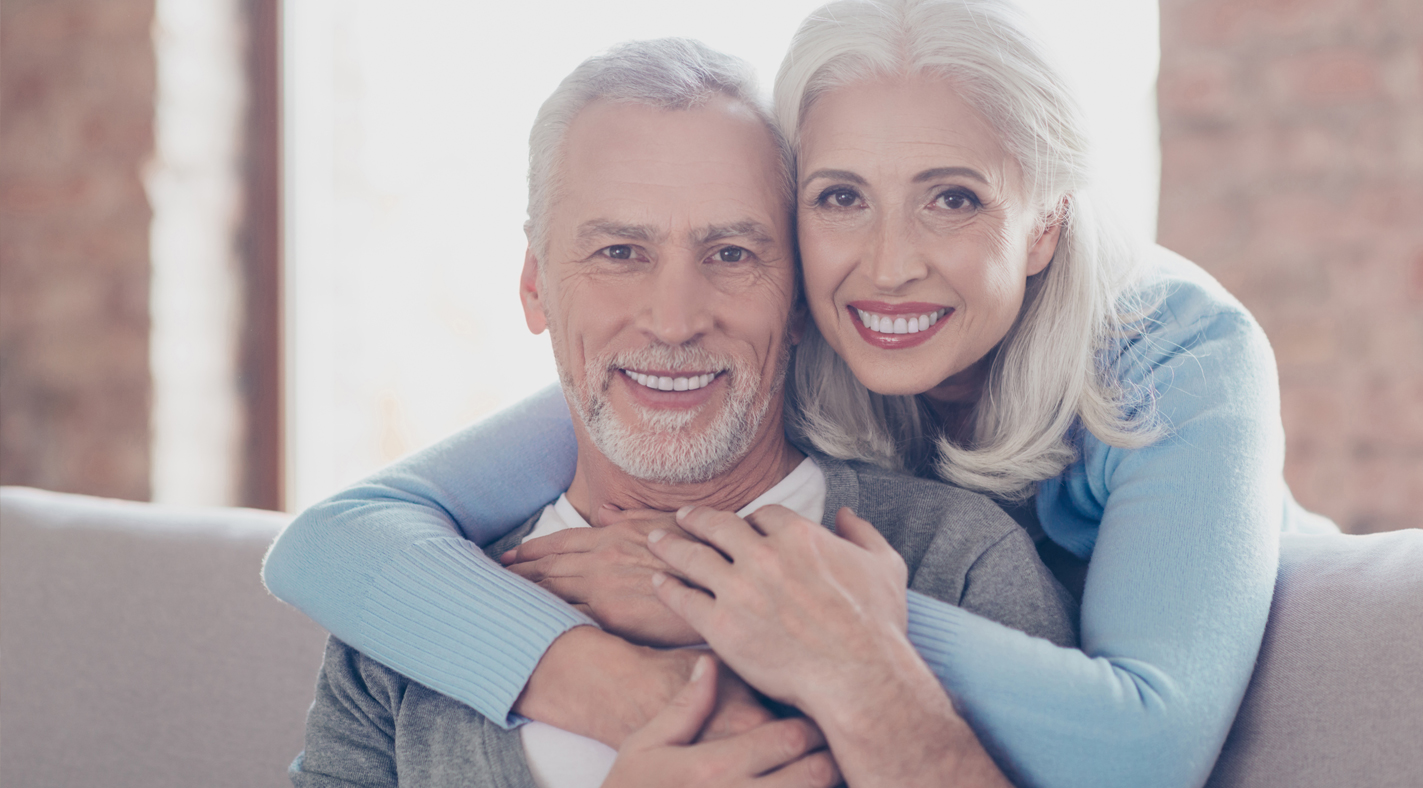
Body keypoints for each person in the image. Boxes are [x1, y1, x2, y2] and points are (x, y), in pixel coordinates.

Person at [265, 1, 1339, 787]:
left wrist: (775, 609)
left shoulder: (1166, 365)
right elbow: (333, 536)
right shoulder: (434, 593)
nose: (887, 265)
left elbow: (1143, 750)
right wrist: (607, 677)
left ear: (1045, 217)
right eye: (839, 198)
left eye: (952, 198)